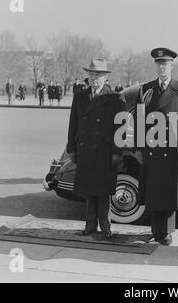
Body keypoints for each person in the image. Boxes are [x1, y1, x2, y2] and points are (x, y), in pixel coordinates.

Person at [67, 58, 126, 238]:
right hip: (85, 150)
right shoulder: (80, 97)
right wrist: (72, 148)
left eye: (98, 75)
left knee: (102, 192)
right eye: (91, 74)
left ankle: (105, 227)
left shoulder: (116, 98)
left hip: (105, 152)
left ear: (105, 77)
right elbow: (73, 125)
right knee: (89, 190)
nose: (94, 78)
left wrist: (117, 152)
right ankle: (90, 226)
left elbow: (121, 129)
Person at [134, 47, 178, 245]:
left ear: (172, 65)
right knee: (154, 192)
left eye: (165, 64)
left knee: (169, 193)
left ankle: (167, 232)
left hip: (172, 151)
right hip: (151, 149)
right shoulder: (145, 89)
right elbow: (139, 120)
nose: (161, 67)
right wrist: (138, 148)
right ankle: (156, 231)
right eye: (158, 64)